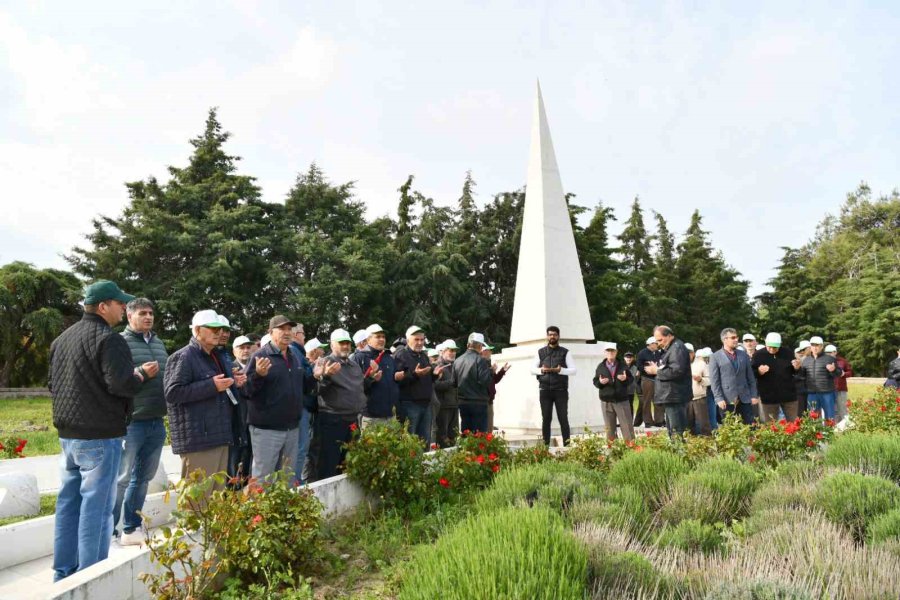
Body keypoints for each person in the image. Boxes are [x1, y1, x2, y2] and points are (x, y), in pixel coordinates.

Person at [49, 280, 144, 581]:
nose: (123, 309)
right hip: (100, 435)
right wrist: (140, 376)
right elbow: (121, 384)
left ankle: (64, 573)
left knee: (68, 504)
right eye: (119, 304)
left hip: (68, 436)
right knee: (98, 508)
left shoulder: (61, 339)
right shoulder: (109, 339)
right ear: (103, 306)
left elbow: (53, 384)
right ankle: (90, 577)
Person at [113, 297, 169, 546]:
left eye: (151, 313)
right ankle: (107, 532)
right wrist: (140, 373)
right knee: (121, 479)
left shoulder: (158, 343)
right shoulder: (119, 342)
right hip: (131, 422)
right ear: (129, 316)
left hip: (156, 420)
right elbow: (114, 380)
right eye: (142, 313)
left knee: (143, 478)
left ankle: (130, 528)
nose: (148, 317)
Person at [164, 310, 235, 494]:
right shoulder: (184, 356)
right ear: (197, 330)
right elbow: (172, 393)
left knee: (216, 497)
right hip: (198, 440)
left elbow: (219, 388)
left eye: (220, 329)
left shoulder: (215, 355)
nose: (219, 332)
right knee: (197, 499)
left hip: (218, 435)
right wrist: (211, 385)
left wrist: (234, 382)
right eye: (213, 328)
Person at [244, 316, 314, 482]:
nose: (287, 332)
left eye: (289, 329)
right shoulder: (260, 356)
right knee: (263, 480)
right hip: (267, 430)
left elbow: (303, 387)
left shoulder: (294, 356)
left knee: (286, 479)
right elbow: (246, 390)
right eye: (282, 329)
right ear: (271, 332)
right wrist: (258, 375)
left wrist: (318, 376)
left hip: (292, 429)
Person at [313, 329, 367, 478]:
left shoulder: (354, 365)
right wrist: (325, 376)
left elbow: (358, 388)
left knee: (349, 464)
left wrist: (371, 379)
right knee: (329, 465)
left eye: (347, 343)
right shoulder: (324, 363)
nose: (345, 346)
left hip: (353, 420)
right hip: (333, 420)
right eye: (341, 343)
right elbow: (315, 390)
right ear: (332, 345)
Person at [394, 326, 441, 446]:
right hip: (409, 405)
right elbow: (397, 381)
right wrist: (415, 375)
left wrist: (435, 375)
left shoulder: (424, 356)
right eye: (416, 339)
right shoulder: (401, 355)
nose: (420, 342)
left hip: (426, 404)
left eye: (422, 339)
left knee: (424, 442)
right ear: (408, 340)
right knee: (409, 443)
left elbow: (427, 379)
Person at [530, 326, 576, 446]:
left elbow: (573, 370)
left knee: (563, 418)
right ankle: (545, 447)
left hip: (561, 390)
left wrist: (561, 370)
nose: (552, 336)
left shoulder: (565, 352)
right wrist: (541, 370)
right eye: (550, 334)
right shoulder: (540, 352)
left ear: (558, 336)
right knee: (546, 419)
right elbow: (532, 369)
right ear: (547, 336)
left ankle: (567, 446)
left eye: (554, 334)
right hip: (545, 390)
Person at [643, 326, 692, 438]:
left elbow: (676, 371)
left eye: (660, 340)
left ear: (669, 336)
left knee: (676, 432)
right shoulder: (670, 348)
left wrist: (656, 371)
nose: (658, 343)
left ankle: (679, 449)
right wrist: (658, 368)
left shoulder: (677, 348)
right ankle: (675, 449)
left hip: (675, 395)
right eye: (656, 341)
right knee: (673, 431)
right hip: (671, 395)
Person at [353, 324, 400, 430]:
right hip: (370, 416)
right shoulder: (359, 358)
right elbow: (355, 387)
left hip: (390, 415)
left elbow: (392, 383)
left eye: (383, 337)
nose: (382, 339)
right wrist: (371, 379)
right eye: (378, 336)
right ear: (368, 340)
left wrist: (398, 378)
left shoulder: (388, 357)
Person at [709, 328, 759, 425]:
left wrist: (753, 395)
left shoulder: (743, 354)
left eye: (737, 337)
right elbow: (714, 381)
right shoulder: (715, 357)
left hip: (745, 398)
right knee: (730, 428)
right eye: (733, 338)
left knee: (750, 427)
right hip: (726, 400)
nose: (736, 340)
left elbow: (750, 377)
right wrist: (719, 398)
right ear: (725, 339)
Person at [288, 323, 314, 485]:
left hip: (301, 405)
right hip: (300, 406)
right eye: (303, 333)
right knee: (300, 447)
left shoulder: (297, 352)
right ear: (296, 334)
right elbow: (303, 380)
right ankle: (295, 482)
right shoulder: (294, 351)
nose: (304, 336)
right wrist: (315, 374)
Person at [751, 333, 799, 422]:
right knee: (770, 425)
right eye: (769, 347)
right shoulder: (758, 355)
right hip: (768, 397)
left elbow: (795, 372)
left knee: (794, 424)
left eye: (775, 347)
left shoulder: (787, 352)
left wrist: (797, 367)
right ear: (765, 343)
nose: (772, 349)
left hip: (789, 396)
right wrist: (759, 372)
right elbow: (751, 374)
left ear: (780, 344)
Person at [592, 343, 635, 441]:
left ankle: (631, 447)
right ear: (605, 353)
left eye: (612, 351)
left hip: (621, 400)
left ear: (616, 352)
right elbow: (595, 381)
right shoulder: (600, 366)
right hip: (606, 401)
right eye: (608, 351)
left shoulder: (623, 365)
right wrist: (600, 382)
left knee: (627, 427)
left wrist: (625, 379)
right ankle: (612, 448)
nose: (610, 353)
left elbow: (631, 379)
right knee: (610, 429)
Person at [228, 335, 254, 486]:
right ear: (234, 351)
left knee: (249, 458)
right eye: (241, 348)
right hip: (236, 421)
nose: (245, 350)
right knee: (235, 460)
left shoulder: (256, 366)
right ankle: (232, 490)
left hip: (254, 420)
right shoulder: (229, 368)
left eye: (248, 347)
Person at [454, 333, 493, 433]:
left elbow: (453, 382)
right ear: (480, 346)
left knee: (466, 433)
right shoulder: (480, 360)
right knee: (479, 435)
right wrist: (490, 372)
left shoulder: (457, 360)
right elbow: (485, 381)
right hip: (478, 402)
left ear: (468, 345)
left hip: (463, 402)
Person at [799, 336, 842, 420]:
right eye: (813, 345)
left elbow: (839, 373)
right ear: (810, 347)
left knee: (830, 417)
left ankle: (829, 429)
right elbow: (802, 376)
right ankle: (816, 430)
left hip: (827, 393)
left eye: (817, 345)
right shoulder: (806, 360)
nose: (815, 348)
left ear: (822, 346)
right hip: (812, 393)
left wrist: (833, 370)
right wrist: (796, 370)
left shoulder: (829, 359)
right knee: (813, 418)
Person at [433, 339, 459, 447]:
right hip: (443, 407)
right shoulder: (437, 365)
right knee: (442, 437)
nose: (453, 353)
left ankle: (453, 456)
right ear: (443, 351)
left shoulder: (454, 365)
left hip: (454, 405)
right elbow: (435, 385)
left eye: (454, 350)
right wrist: (451, 383)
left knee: (454, 436)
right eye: (450, 350)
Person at [634, 337, 663, 428]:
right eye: (655, 343)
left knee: (658, 400)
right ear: (650, 344)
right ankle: (648, 421)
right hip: (647, 378)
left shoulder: (659, 353)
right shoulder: (642, 353)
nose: (657, 345)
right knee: (647, 400)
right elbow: (639, 366)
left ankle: (659, 420)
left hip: (657, 378)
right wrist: (648, 370)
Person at [482, 342, 509, 432]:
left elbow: (494, 380)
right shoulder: (480, 364)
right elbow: (483, 380)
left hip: (489, 400)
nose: (491, 352)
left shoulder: (488, 364)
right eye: (489, 350)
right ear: (483, 351)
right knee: (485, 428)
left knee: (489, 427)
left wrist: (502, 371)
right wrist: (490, 371)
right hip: (483, 400)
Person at [826, 344, 853, 422]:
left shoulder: (842, 361)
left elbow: (850, 372)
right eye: (826, 353)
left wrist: (844, 374)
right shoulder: (823, 361)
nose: (828, 354)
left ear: (835, 352)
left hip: (841, 389)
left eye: (830, 352)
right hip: (828, 389)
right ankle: (835, 426)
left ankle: (845, 426)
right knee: (833, 410)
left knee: (843, 409)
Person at [689, 347, 712, 435]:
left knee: (704, 424)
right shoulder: (679, 363)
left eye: (689, 353)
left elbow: (709, 380)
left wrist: (700, 379)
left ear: (693, 353)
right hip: (685, 399)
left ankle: (707, 440)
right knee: (688, 426)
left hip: (699, 397)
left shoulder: (701, 364)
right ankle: (691, 441)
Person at [793, 341, 812, 414]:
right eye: (800, 351)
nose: (801, 352)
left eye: (803, 350)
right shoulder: (795, 362)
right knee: (801, 412)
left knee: (812, 412)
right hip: (800, 391)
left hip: (812, 390)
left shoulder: (814, 359)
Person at [623, 351, 640, 415]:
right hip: (622, 391)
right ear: (624, 358)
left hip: (631, 391)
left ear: (632, 358)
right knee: (622, 407)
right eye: (627, 357)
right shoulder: (621, 367)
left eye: (630, 357)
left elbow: (636, 380)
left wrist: (638, 376)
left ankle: (630, 420)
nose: (629, 358)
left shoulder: (635, 368)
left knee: (630, 406)